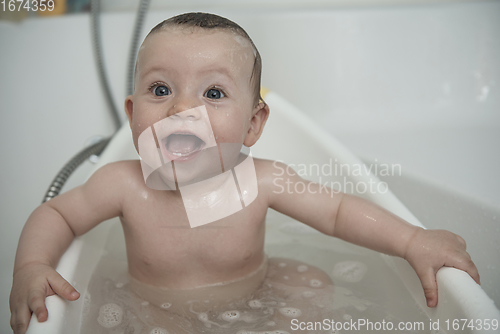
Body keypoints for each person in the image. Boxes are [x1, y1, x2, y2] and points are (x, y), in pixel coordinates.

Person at [10, 12, 479, 334]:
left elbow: (337, 212)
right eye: (160, 88)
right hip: (155, 312)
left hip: (259, 298)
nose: (181, 109)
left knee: (309, 285)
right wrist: (32, 266)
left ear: (252, 124)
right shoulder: (122, 185)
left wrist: (412, 241)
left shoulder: (263, 181)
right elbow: (57, 215)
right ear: (133, 115)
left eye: (213, 93)